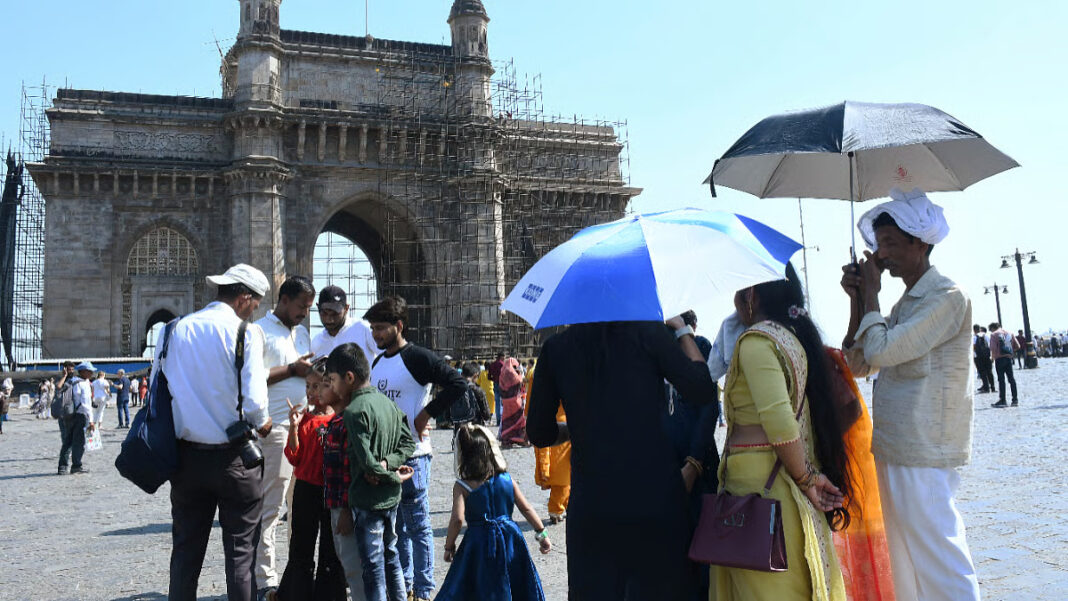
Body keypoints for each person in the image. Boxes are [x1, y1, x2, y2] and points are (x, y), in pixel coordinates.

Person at [842, 187, 981, 601]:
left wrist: (871, 294)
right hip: (894, 448)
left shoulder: (946, 297)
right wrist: (857, 302)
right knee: (903, 558)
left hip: (924, 450)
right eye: (879, 244)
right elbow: (859, 363)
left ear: (920, 243)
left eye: (890, 244)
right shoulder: (906, 303)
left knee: (939, 555)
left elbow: (883, 349)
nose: (882, 255)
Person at [528, 317, 716, 601]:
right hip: (656, 503)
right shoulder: (649, 335)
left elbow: (540, 433)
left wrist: (577, 429)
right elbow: (701, 388)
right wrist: (682, 329)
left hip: (593, 508)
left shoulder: (557, 348)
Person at [712, 264, 849, 600]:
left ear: (751, 294)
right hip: (781, 483)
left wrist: (806, 479)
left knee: (766, 590)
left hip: (761, 489)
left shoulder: (757, 342)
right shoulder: (791, 337)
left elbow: (780, 423)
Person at [161, 263, 273, 601]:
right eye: (255, 304)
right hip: (234, 458)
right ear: (243, 298)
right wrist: (264, 421)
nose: (255, 312)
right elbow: (254, 402)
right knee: (241, 554)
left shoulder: (173, 329)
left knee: (185, 552)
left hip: (186, 459)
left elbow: (160, 389)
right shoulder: (246, 334)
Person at [364, 296, 467, 601]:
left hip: (414, 454)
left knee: (418, 525)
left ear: (398, 326)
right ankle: (405, 586)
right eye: (372, 329)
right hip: (384, 457)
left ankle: (423, 589)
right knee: (395, 528)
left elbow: (457, 384)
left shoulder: (419, 357)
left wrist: (427, 413)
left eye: (381, 328)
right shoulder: (378, 362)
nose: (375, 335)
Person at [326, 342, 416, 601]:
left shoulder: (354, 412)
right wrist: (390, 463)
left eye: (333, 380)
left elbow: (367, 464)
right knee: (392, 557)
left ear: (349, 377)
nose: (331, 387)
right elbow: (408, 443)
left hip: (367, 501)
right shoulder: (386, 403)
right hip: (391, 498)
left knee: (373, 567)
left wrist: (388, 472)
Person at [436, 424, 550, 601]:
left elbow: (457, 519)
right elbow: (526, 507)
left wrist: (449, 546)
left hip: (478, 542)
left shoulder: (463, 486)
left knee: (478, 586)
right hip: (511, 538)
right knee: (514, 581)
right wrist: (542, 534)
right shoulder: (506, 479)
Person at [254, 276, 315, 600]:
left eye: (309, 307)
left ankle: (296, 574)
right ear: (284, 299)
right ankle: (266, 580)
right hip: (276, 430)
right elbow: (251, 379)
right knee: (272, 508)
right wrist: (292, 370)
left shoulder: (302, 333)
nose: (306, 312)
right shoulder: (258, 331)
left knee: (301, 508)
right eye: (302, 306)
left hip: (304, 430)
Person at [276, 361, 346, 601]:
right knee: (301, 545)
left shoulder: (340, 419)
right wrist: (294, 429)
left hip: (332, 490)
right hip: (306, 488)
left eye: (318, 386)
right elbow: (294, 456)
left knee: (330, 547)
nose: (311, 392)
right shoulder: (304, 419)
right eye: (308, 386)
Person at [318, 358, 367, 601]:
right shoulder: (334, 422)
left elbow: (349, 471)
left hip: (346, 507)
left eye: (328, 383)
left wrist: (346, 510)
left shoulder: (345, 422)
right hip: (336, 506)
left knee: (354, 568)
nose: (321, 390)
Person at [311, 285, 378, 364]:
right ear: (318, 307)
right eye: (324, 313)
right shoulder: (317, 342)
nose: (329, 319)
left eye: (335, 314)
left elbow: (387, 355)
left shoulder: (363, 329)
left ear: (346, 308)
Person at [57, 361, 95, 474]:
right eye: (90, 371)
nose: (92, 373)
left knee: (67, 441)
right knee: (78, 442)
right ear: (83, 372)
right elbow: (86, 404)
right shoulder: (84, 384)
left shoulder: (71, 381)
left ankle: (62, 467)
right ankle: (76, 466)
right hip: (80, 416)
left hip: (69, 415)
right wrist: (91, 421)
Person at [496, 354, 527, 447]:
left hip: (506, 402)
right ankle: (520, 439)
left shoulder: (502, 374)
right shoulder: (514, 374)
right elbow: (520, 383)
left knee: (507, 421)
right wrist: (520, 374)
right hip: (515, 401)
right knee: (519, 421)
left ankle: (506, 440)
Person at [989, 322, 1020, 407]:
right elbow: (1018, 346)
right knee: (1011, 379)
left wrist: (993, 357)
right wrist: (1010, 351)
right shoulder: (1009, 333)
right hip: (1008, 358)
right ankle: (1015, 400)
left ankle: (1003, 400)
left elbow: (993, 348)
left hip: (999, 359)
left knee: (1001, 380)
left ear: (992, 328)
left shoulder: (994, 335)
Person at [972, 324, 993, 393]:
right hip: (987, 356)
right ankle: (992, 387)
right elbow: (990, 345)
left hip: (978, 357)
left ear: (974, 330)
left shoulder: (974, 337)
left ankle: (986, 387)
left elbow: (973, 347)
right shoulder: (986, 336)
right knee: (989, 371)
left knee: (982, 372)